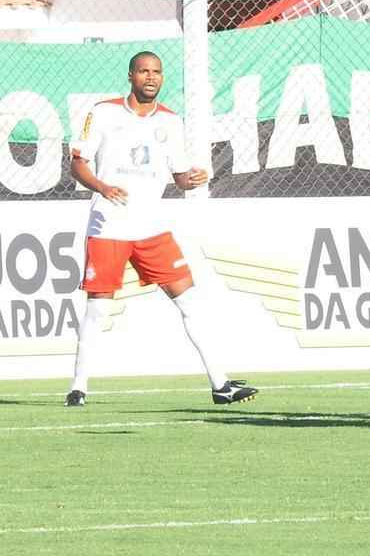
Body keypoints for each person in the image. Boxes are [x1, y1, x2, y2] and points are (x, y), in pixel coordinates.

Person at [66, 52, 258, 407]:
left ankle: (221, 384)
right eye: (143, 71)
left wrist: (193, 179)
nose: (150, 78)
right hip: (109, 225)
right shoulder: (104, 112)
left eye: (156, 72)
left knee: (191, 303)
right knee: (98, 309)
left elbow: (180, 177)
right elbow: (78, 162)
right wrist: (102, 187)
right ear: (130, 76)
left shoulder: (171, 121)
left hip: (152, 229)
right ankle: (78, 387)